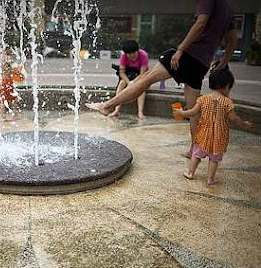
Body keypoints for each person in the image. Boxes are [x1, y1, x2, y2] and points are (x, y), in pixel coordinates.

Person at [87, 0, 237, 157]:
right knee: (193, 108)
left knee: (144, 79)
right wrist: (224, 61)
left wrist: (180, 50)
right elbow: (232, 40)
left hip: (188, 54)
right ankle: (195, 149)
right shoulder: (228, 8)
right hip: (202, 63)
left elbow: (200, 24)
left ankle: (108, 105)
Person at [173, 69, 252, 185]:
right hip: (219, 137)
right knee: (214, 159)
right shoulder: (227, 102)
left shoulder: (203, 99)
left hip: (203, 134)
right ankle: (210, 179)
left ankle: (190, 173)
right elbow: (234, 118)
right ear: (226, 86)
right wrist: (244, 123)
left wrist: (181, 113)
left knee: (196, 154)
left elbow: (193, 112)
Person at [109, 40, 149, 119]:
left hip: (140, 75)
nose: (132, 56)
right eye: (129, 54)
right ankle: (116, 109)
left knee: (141, 86)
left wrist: (134, 82)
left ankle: (140, 111)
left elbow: (142, 74)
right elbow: (122, 73)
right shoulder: (124, 56)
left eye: (134, 53)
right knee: (122, 83)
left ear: (137, 51)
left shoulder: (143, 55)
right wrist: (129, 83)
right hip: (129, 74)